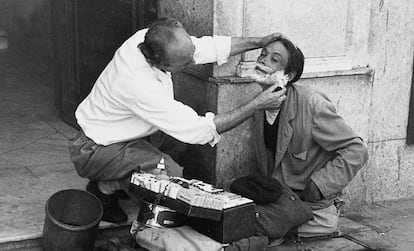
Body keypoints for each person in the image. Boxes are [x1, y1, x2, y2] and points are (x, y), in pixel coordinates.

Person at [68, 17, 287, 224]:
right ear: (158, 62)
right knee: (168, 175)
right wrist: (256, 104)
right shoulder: (138, 84)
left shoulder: (151, 38)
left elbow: (203, 48)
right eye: (185, 64)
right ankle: (105, 187)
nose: (193, 61)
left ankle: (129, 181)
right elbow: (199, 129)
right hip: (95, 148)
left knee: (180, 148)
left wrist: (258, 42)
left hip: (128, 133)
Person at [250, 37, 369, 239]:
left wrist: (320, 184)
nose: (263, 60)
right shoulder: (260, 104)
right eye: (263, 54)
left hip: (308, 204)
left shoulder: (312, 105)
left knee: (253, 231)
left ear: (288, 75)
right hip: (279, 199)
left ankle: (319, 221)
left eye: (274, 59)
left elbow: (357, 150)